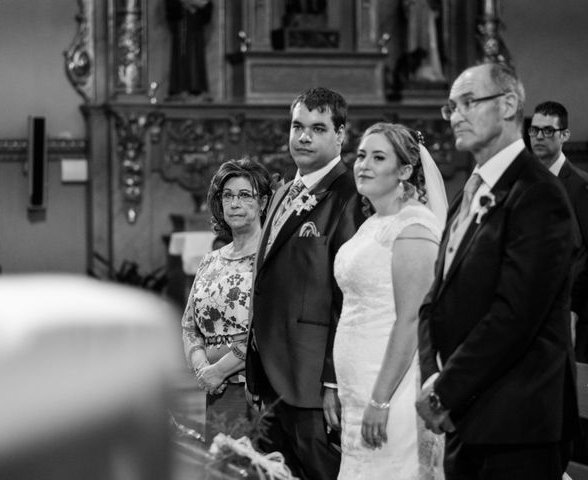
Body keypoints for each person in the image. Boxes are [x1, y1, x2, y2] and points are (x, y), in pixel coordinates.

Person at [416, 62, 579, 480]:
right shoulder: (471, 192)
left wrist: (444, 390)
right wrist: (432, 377)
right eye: (451, 106)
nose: (456, 115)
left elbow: (515, 315)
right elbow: (435, 298)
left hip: (516, 424)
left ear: (509, 105)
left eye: (469, 102)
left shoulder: (539, 194)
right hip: (465, 417)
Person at [245, 87, 365, 480]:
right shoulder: (283, 192)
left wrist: (334, 379)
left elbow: (349, 295)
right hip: (271, 377)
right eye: (297, 126)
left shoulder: (350, 197)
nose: (304, 137)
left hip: (313, 383)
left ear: (340, 135)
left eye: (317, 128)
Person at [333, 123, 447, 480]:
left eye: (378, 157)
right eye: (361, 155)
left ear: (405, 170)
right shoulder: (374, 222)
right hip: (359, 387)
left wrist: (380, 399)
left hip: (391, 388)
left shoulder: (413, 228)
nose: (363, 164)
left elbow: (410, 321)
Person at [181, 158, 272, 443]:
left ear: (264, 203)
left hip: (254, 387)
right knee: (223, 469)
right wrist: (202, 370)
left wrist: (220, 370)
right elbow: (189, 325)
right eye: (228, 195)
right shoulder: (210, 260)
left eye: (245, 195)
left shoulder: (271, 257)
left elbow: (268, 329)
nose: (234, 203)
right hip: (215, 389)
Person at [530, 100, 588, 466]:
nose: (538, 137)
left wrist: (574, 307)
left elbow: (586, 251)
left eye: (547, 131)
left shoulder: (579, 186)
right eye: (533, 130)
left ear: (564, 135)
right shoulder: (525, 181)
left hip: (570, 307)